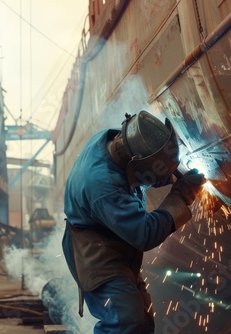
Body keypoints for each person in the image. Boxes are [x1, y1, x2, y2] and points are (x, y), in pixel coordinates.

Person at [62, 111, 206, 333]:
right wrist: (181, 196)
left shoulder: (115, 144)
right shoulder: (102, 184)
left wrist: (173, 173)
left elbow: (140, 176)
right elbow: (144, 234)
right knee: (126, 322)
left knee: (141, 319)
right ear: (135, 164)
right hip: (96, 253)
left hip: (112, 236)